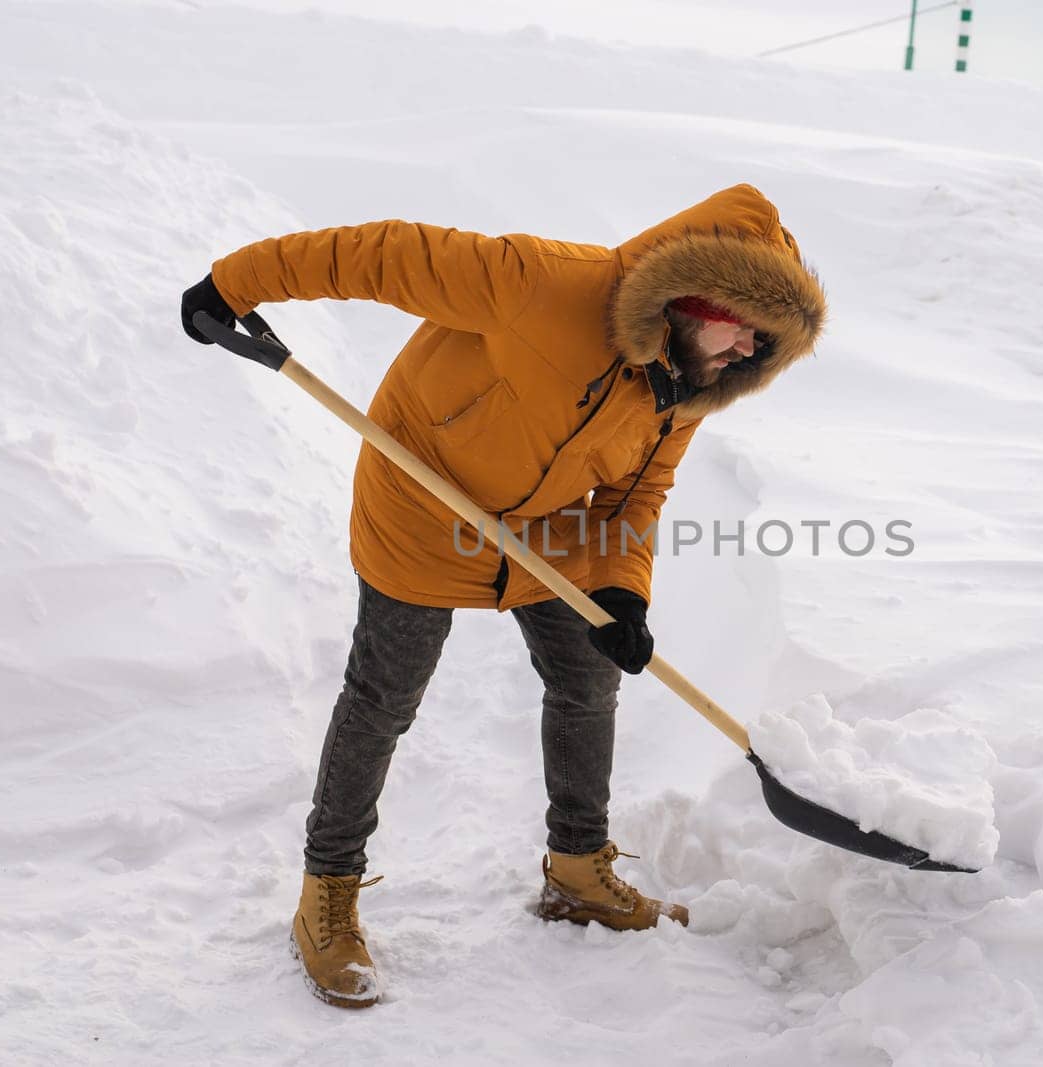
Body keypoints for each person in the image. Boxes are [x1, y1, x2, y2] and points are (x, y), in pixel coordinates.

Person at [180, 183, 826, 1008]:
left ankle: (577, 869)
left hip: (542, 529)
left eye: (768, 346)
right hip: (421, 502)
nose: (750, 355)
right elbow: (377, 253)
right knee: (384, 698)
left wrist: (622, 593)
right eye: (750, 331)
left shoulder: (686, 384)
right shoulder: (539, 283)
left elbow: (635, 498)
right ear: (701, 295)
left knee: (590, 679)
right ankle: (326, 893)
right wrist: (234, 283)